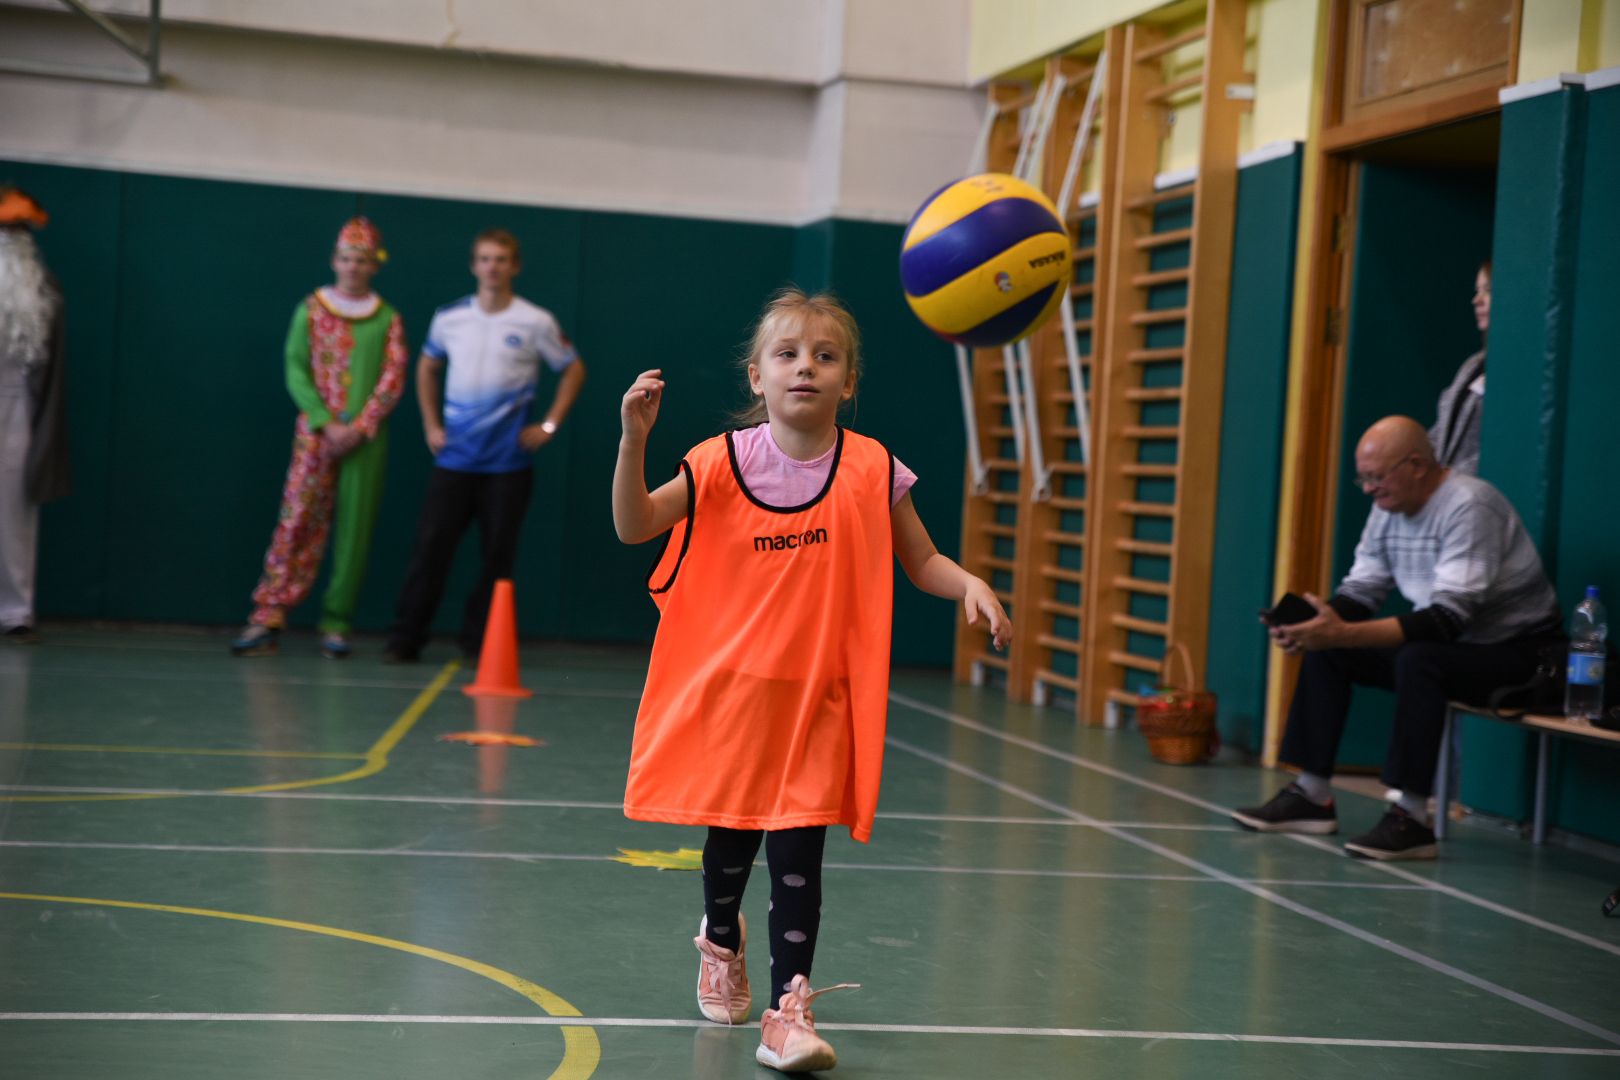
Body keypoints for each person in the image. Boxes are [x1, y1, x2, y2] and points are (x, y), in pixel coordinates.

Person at [612, 288, 1011, 1073]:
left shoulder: (872, 468)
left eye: (826, 357)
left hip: (819, 696)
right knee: (730, 840)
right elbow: (634, 526)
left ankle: (788, 1009)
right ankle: (720, 937)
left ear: (849, 381)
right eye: (788, 355)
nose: (807, 368)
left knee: (800, 850)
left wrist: (968, 583)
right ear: (756, 377)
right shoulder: (718, 461)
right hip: (733, 691)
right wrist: (633, 442)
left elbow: (921, 559)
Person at [1233, 416, 1561, 860]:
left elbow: (1448, 619)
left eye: (1377, 476)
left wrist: (1341, 632)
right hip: (1457, 646)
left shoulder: (1470, 505)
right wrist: (1315, 628)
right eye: (1362, 478)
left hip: (1519, 653)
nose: (1368, 488)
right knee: (1332, 650)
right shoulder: (1388, 508)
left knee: (1418, 659)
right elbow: (1361, 592)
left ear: (1416, 465)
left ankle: (1411, 818)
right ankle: (1311, 795)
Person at [385, 228, 585, 662]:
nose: (492, 267)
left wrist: (549, 425)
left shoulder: (536, 321)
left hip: (508, 463)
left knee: (498, 558)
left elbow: (572, 370)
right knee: (429, 550)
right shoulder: (449, 318)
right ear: (474, 265)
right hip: (454, 459)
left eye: (500, 259)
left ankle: (480, 646)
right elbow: (426, 367)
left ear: (514, 266)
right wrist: (430, 424)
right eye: (484, 259)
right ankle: (405, 640)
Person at [231, 218, 408, 659]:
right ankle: (269, 613)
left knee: (354, 532)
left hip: (365, 441)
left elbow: (392, 376)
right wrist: (324, 421)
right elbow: (295, 367)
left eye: (362, 260)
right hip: (315, 435)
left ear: (374, 266)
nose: (353, 267)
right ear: (335, 261)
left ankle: (337, 621)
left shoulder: (387, 318)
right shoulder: (310, 309)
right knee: (296, 520)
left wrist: (360, 426)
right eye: (347, 258)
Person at [0, 187, 69, 643]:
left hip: (18, 399)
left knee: (13, 508)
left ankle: (15, 610)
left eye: (17, 231)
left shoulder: (41, 288)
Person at [1429, 260, 1490, 476]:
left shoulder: (1518, 369)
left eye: (1488, 290)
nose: (1476, 300)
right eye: (1477, 291)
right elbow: (1441, 428)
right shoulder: (1473, 364)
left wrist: (1450, 478)